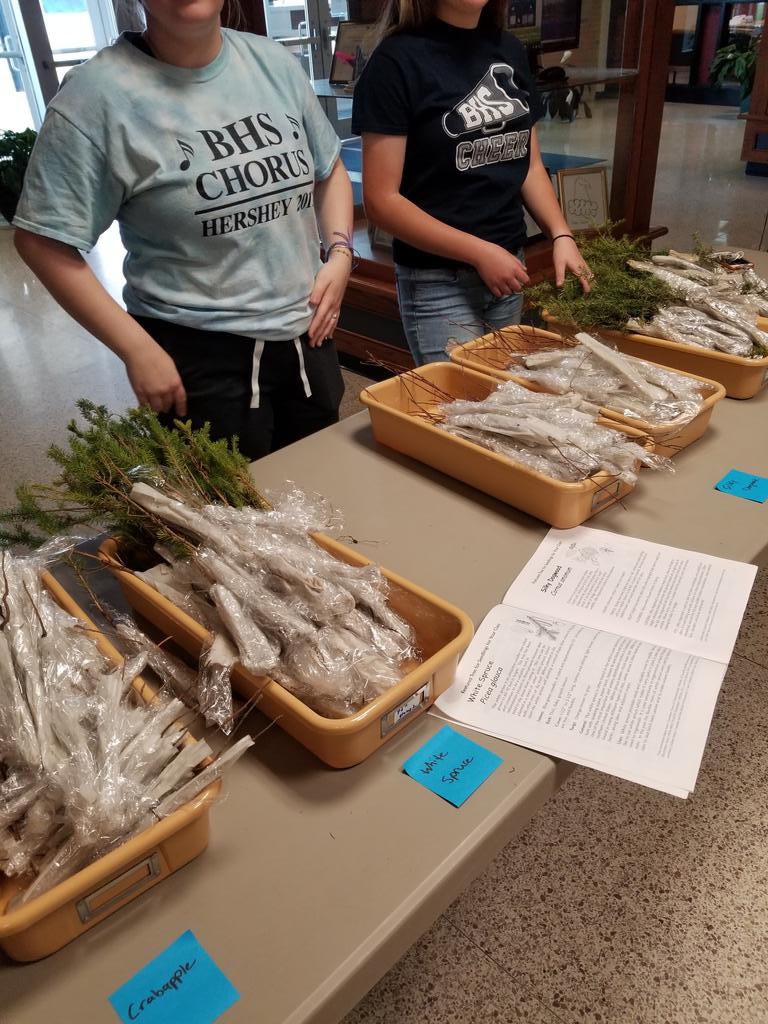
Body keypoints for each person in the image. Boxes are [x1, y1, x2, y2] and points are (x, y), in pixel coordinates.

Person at [13, 0, 354, 459]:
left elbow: (328, 168)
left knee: (319, 480)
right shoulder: (94, 98)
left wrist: (340, 254)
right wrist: (136, 348)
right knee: (227, 501)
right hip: (198, 356)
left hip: (308, 335)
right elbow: (41, 240)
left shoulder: (272, 62)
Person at [351, 0, 592, 366]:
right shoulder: (395, 61)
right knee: (461, 399)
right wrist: (480, 253)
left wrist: (561, 235)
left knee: (501, 390)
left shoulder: (509, 48)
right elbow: (382, 202)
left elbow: (528, 164)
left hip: (508, 265)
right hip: (437, 280)